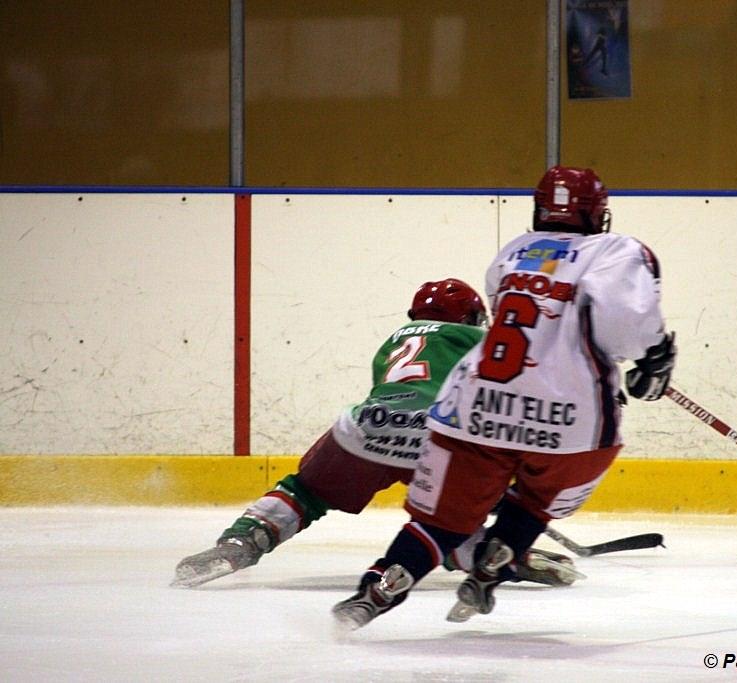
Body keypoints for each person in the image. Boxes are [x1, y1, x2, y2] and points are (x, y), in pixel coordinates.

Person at [333, 166, 675, 631]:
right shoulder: (618, 249)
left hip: (477, 407)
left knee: (442, 521)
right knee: (536, 499)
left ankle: (380, 586)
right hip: (568, 420)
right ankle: (496, 559)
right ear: (598, 214)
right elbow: (623, 327)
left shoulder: (515, 249)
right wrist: (654, 357)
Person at [172, 278, 583, 589]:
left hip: (367, 426)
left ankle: (243, 541)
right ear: (471, 318)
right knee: (446, 519)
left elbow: (401, 403)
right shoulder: (481, 339)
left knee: (306, 491)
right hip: (437, 434)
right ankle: (497, 554)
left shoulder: (391, 343)